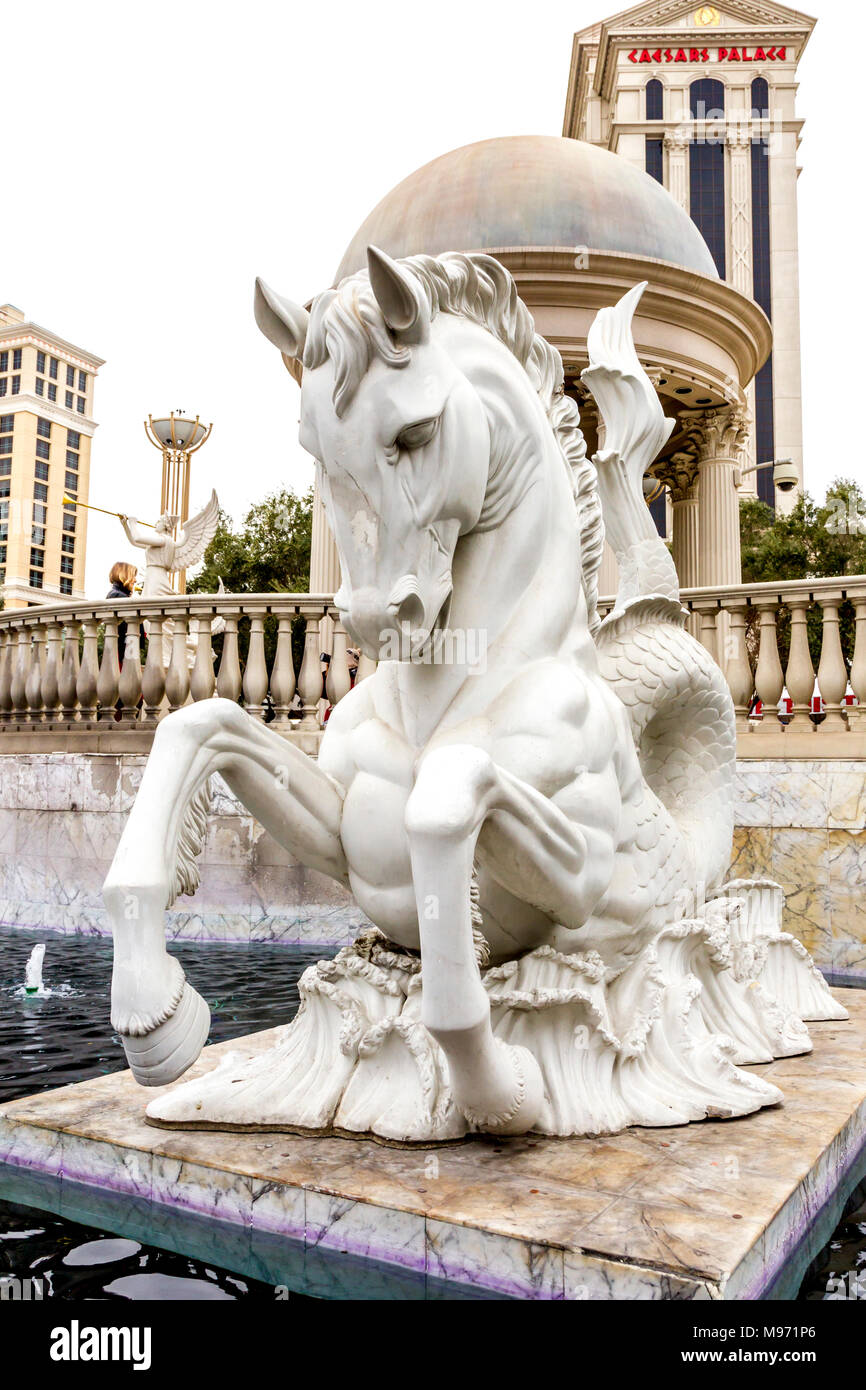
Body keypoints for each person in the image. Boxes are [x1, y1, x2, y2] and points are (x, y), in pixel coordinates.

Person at [106, 562, 138, 665]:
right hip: (122, 649)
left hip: (121, 647)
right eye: (133, 576)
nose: (135, 580)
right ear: (124, 576)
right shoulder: (118, 596)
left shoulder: (116, 594)